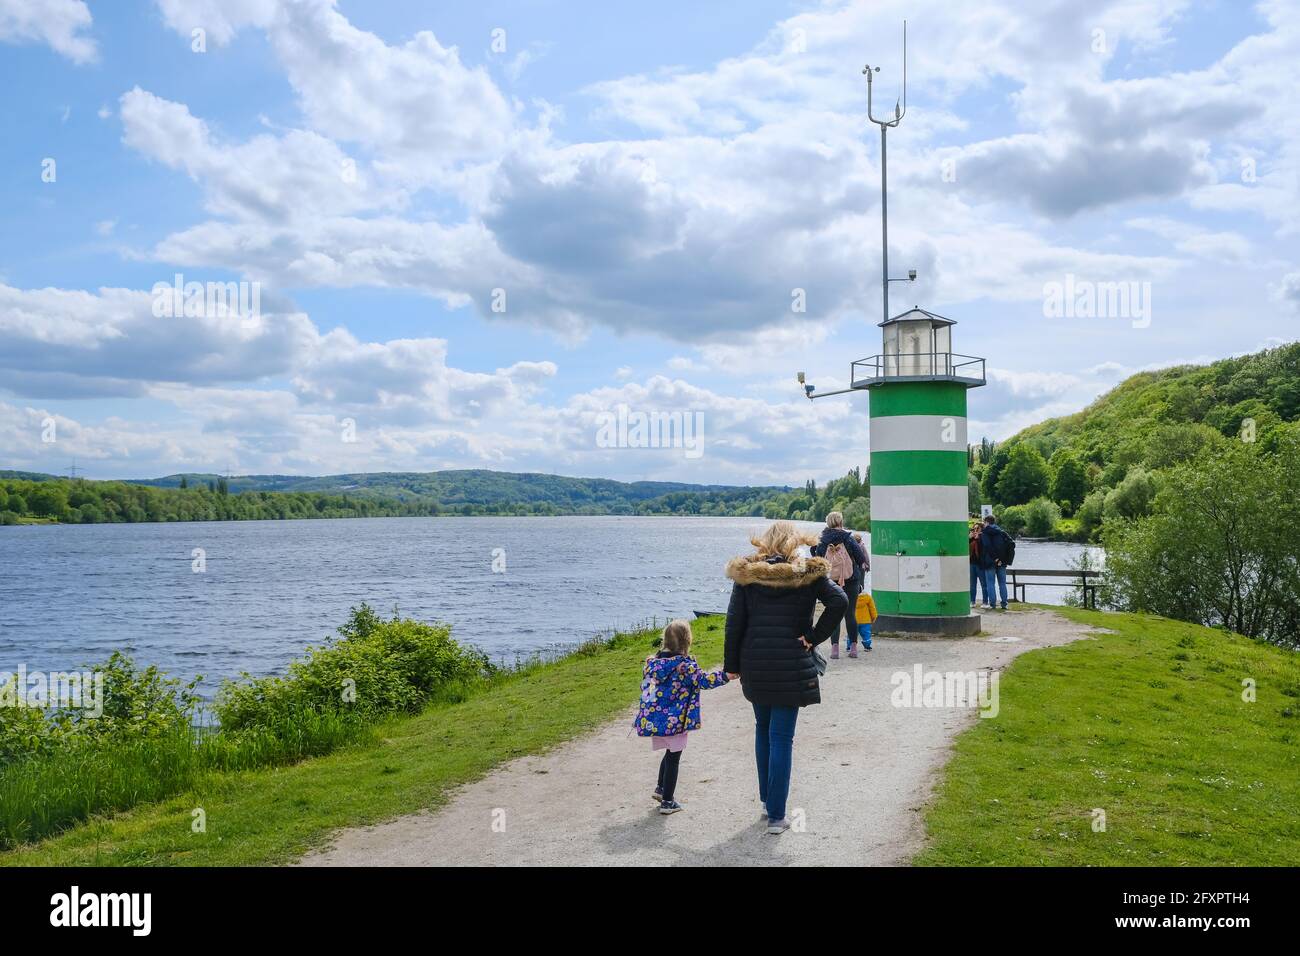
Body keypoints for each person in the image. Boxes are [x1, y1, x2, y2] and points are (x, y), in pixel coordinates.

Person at [724, 521, 847, 833]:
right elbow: (839, 601)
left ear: (765, 543)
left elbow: (734, 623)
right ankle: (778, 817)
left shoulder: (747, 575)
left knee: (762, 731)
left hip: (755, 664)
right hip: (790, 664)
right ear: (794, 543)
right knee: (781, 737)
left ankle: (768, 803)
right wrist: (814, 637)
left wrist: (731, 665)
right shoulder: (806, 574)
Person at [633, 619, 732, 815]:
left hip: (656, 720)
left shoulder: (653, 663)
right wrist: (726, 676)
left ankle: (661, 789)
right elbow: (703, 681)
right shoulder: (685, 665)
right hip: (676, 720)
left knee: (670, 753)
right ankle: (668, 802)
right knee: (674, 757)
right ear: (687, 640)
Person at [811, 512, 868, 659]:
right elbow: (861, 558)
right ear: (841, 522)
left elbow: (817, 560)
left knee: (834, 613)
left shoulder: (823, 540)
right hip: (851, 579)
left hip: (831, 582)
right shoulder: (848, 538)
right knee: (850, 614)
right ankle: (853, 648)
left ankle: (834, 649)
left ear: (828, 523)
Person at [979, 514, 1011, 611]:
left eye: (984, 522)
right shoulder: (1001, 532)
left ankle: (992, 604)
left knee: (990, 583)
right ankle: (1004, 603)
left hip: (989, 562)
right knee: (1002, 583)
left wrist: (995, 558)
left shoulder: (985, 533)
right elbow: (1009, 545)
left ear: (987, 522)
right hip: (1002, 562)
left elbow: (987, 546)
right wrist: (1001, 559)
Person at [968, 522, 988, 609]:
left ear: (981, 529)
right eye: (974, 529)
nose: (975, 530)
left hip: (980, 564)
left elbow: (985, 549)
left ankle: (985, 602)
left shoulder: (983, 537)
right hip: (971, 563)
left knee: (984, 584)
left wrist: (978, 539)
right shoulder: (971, 538)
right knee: (972, 584)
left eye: (977, 528)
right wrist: (969, 538)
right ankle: (972, 601)